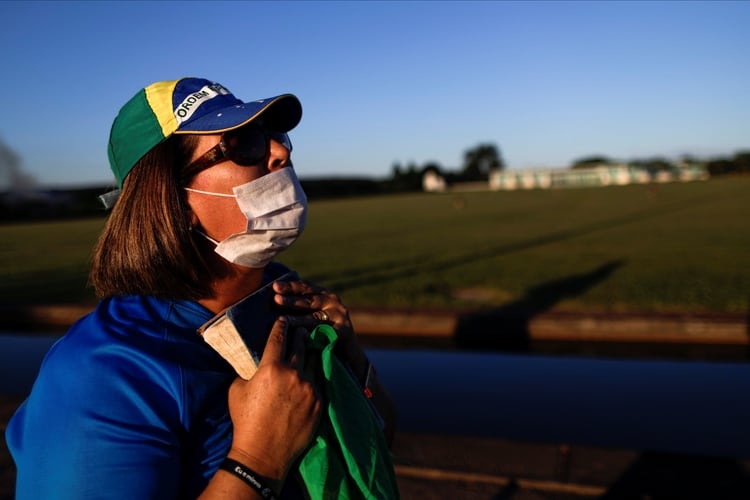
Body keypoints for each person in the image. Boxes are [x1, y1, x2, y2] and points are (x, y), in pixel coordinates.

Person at [6, 77, 398, 499]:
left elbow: (378, 442)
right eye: (244, 143)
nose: (282, 152)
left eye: (274, 135)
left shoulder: (284, 298)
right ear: (172, 202)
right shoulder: (100, 376)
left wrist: (353, 363)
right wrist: (258, 460)